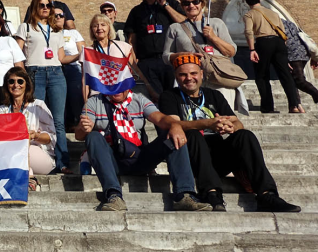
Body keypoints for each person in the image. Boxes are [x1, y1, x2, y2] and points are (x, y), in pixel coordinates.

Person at [158, 54, 300, 213]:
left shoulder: (213, 95)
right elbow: (173, 125)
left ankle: (267, 194)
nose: (189, 78)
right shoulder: (169, 96)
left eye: (193, 73)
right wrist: (207, 123)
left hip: (218, 156)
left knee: (245, 136)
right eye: (183, 74)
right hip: (192, 158)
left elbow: (237, 122)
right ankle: (211, 193)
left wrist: (230, 128)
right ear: (176, 77)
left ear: (201, 74)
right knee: (192, 134)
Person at [75, 82, 210, 213]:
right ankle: (113, 195)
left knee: (174, 134)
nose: (116, 89)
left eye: (120, 85)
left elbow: (161, 119)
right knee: (93, 136)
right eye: (111, 85)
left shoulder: (139, 99)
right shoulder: (94, 102)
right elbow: (79, 135)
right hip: (112, 161)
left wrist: (175, 125)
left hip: (139, 157)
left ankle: (184, 194)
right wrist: (83, 128)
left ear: (128, 84)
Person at [16, 0, 68, 172]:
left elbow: (61, 57)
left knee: (58, 121)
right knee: (35, 119)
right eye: (41, 5)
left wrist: (82, 54)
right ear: (34, 8)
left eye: (48, 5)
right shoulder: (25, 27)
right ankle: (38, 159)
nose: (45, 8)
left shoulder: (56, 30)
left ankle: (63, 163)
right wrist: (23, 74)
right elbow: (18, 53)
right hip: (34, 72)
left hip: (56, 73)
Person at [124, 0, 186, 102]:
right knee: (156, 101)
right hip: (147, 63)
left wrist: (165, 5)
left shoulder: (173, 5)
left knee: (177, 99)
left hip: (171, 60)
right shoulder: (136, 12)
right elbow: (131, 41)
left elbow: (185, 24)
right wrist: (134, 65)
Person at [162, 0, 238, 93]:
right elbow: (166, 56)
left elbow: (231, 52)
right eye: (186, 3)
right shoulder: (175, 28)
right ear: (182, 7)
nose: (191, 5)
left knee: (221, 109)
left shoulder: (217, 23)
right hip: (190, 81)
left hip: (219, 79)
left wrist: (213, 38)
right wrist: (184, 55)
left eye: (195, 1)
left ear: (202, 4)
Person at [244, 0, 303, 114]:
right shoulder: (274, 13)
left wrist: (252, 50)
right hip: (279, 43)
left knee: (262, 76)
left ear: (247, 2)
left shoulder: (250, 14)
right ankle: (294, 105)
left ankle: (268, 107)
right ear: (260, 0)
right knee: (286, 75)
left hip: (263, 42)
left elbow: (249, 32)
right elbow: (283, 32)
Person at [0, 67, 56, 178]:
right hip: (10, 154)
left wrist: (35, 135)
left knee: (21, 145)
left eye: (20, 81)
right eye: (11, 81)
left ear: (26, 85)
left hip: (38, 154)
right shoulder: (1, 110)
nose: (15, 85)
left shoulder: (38, 106)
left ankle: (29, 179)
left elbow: (50, 138)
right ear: (6, 85)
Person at [86, 13, 145, 98]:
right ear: (92, 30)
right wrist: (86, 103)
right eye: (95, 26)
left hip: (121, 94)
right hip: (98, 96)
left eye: (103, 25)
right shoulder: (88, 52)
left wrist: (150, 90)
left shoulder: (123, 46)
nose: (99, 28)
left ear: (109, 27)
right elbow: (85, 81)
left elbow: (135, 71)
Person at [53, 7, 85, 130]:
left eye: (60, 15)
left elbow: (82, 52)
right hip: (56, 68)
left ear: (65, 17)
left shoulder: (73, 33)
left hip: (73, 67)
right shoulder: (48, 33)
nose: (58, 17)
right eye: (55, 15)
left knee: (76, 96)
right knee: (59, 100)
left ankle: (78, 125)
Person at [284, 18, 318, 105]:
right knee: (293, 80)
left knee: (299, 80)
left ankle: (316, 94)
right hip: (304, 52)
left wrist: (283, 59)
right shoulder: (289, 23)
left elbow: (282, 41)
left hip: (293, 54)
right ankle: (296, 105)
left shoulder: (276, 24)